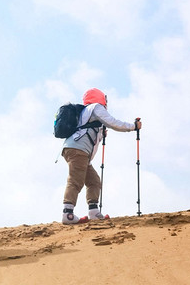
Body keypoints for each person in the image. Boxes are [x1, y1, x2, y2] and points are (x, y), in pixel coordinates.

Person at [60, 88, 142, 224]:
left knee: (94, 181)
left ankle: (93, 212)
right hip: (78, 150)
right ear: (100, 98)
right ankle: (67, 214)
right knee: (76, 180)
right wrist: (133, 126)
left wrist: (100, 134)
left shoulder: (86, 111)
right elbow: (112, 122)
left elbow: (87, 129)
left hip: (77, 150)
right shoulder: (96, 107)